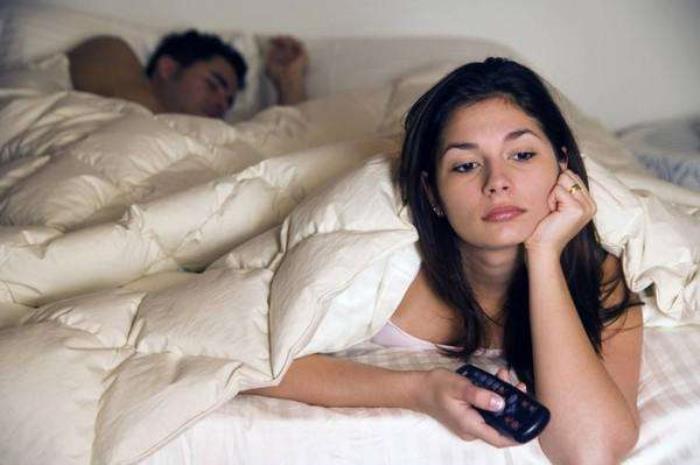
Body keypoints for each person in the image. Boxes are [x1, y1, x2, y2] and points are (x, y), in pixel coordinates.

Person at [243, 58, 643, 464]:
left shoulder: (600, 273)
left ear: (562, 166)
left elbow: (590, 452)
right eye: (466, 165)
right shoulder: (381, 265)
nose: (497, 182)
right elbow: (240, 357)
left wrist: (544, 254)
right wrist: (419, 390)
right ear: (432, 193)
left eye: (522, 155)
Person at [68, 30, 308, 119]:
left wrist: (289, 82)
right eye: (213, 84)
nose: (222, 104)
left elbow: (294, 145)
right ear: (168, 68)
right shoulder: (108, 50)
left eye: (229, 101)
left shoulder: (219, 137)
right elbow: (103, 56)